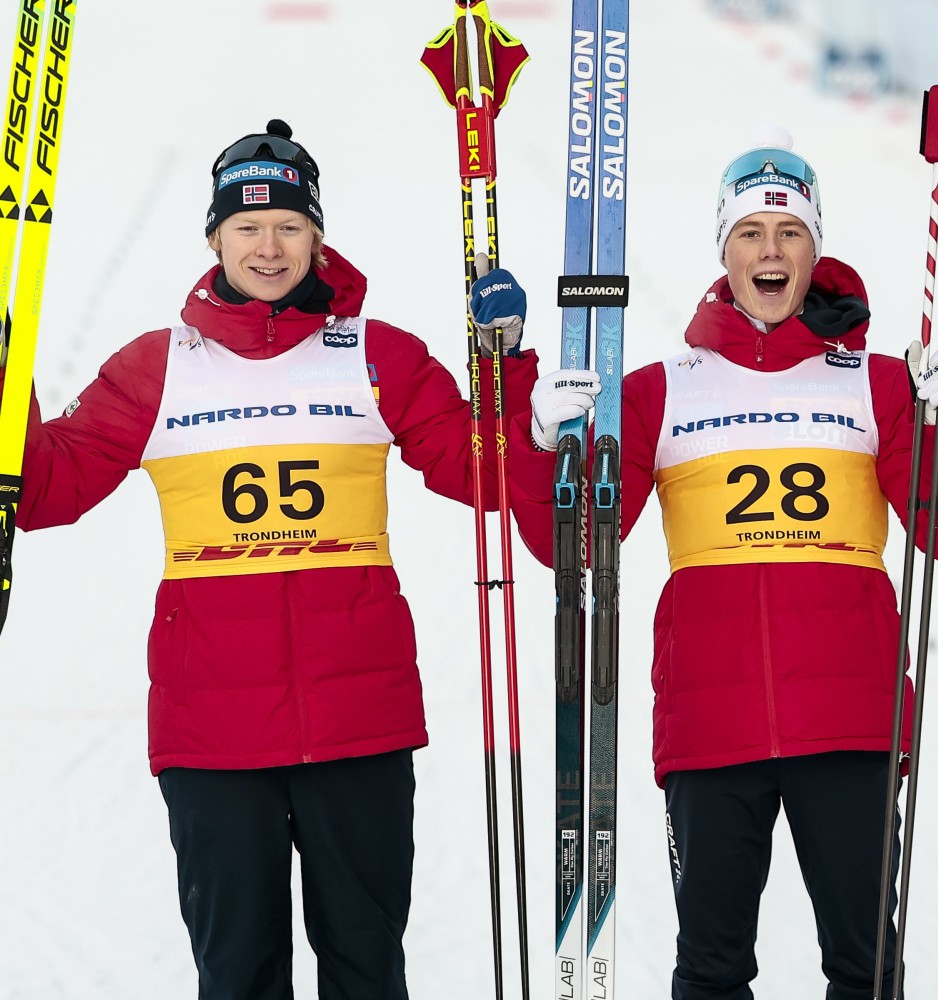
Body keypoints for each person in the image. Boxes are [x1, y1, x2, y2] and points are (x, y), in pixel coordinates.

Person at [0, 119, 536, 998]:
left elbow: (484, 471)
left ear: (318, 236)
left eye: (289, 225)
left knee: (365, 963)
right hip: (213, 733)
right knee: (238, 971)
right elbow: (51, 486)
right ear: (215, 238)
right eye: (245, 227)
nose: (268, 245)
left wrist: (504, 366)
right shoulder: (156, 368)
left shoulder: (377, 356)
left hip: (358, 717)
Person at [485, 131, 938, 999]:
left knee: (865, 963)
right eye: (752, 233)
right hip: (710, 723)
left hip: (846, 717)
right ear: (723, 250)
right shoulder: (659, 387)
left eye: (790, 233)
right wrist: (544, 442)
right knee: (712, 965)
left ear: (814, 249)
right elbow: (568, 549)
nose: (772, 250)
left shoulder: (878, 382)